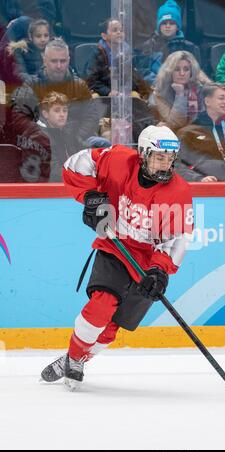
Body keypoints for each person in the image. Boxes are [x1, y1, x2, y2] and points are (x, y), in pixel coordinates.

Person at [40, 125, 193, 390]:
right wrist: (90, 197)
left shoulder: (178, 192)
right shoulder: (118, 160)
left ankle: (72, 359)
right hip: (115, 244)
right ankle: (75, 359)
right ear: (143, 153)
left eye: (170, 158)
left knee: (111, 328)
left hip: (146, 260)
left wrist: (158, 272)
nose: (165, 164)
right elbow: (75, 165)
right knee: (103, 303)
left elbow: (175, 239)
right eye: (159, 156)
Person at [12, 38, 103, 148]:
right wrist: (43, 136)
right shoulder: (31, 85)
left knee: (103, 144)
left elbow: (91, 117)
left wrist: (75, 138)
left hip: (76, 140)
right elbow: (19, 117)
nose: (59, 66)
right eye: (54, 61)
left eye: (63, 61)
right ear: (44, 60)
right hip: (42, 142)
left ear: (69, 60)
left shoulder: (80, 86)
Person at [176, 83, 225, 182]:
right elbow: (177, 164)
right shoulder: (189, 132)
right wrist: (199, 179)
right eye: (221, 98)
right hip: (202, 188)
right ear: (207, 101)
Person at [134, 0, 201, 85]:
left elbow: (196, 74)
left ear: (177, 27)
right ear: (159, 26)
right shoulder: (146, 47)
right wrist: (159, 84)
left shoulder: (190, 48)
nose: (168, 26)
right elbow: (142, 71)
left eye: (172, 23)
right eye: (164, 23)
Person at [149, 50, 211, 131]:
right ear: (169, 72)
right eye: (177, 69)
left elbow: (205, 121)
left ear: (191, 72)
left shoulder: (203, 89)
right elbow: (177, 123)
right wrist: (180, 95)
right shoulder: (159, 94)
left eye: (186, 69)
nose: (182, 73)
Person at [7, 19, 51, 84]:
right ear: (31, 37)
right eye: (38, 36)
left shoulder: (54, 49)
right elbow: (21, 73)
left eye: (46, 35)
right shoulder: (22, 51)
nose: (43, 39)